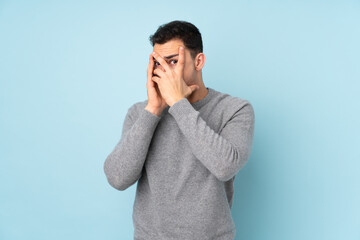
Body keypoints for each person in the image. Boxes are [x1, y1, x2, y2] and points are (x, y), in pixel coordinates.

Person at [103, 20, 255, 240]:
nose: (163, 72)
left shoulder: (235, 109)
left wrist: (178, 104)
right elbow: (117, 178)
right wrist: (153, 110)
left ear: (198, 61)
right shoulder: (139, 113)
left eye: (172, 61)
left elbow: (225, 166)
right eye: (157, 63)